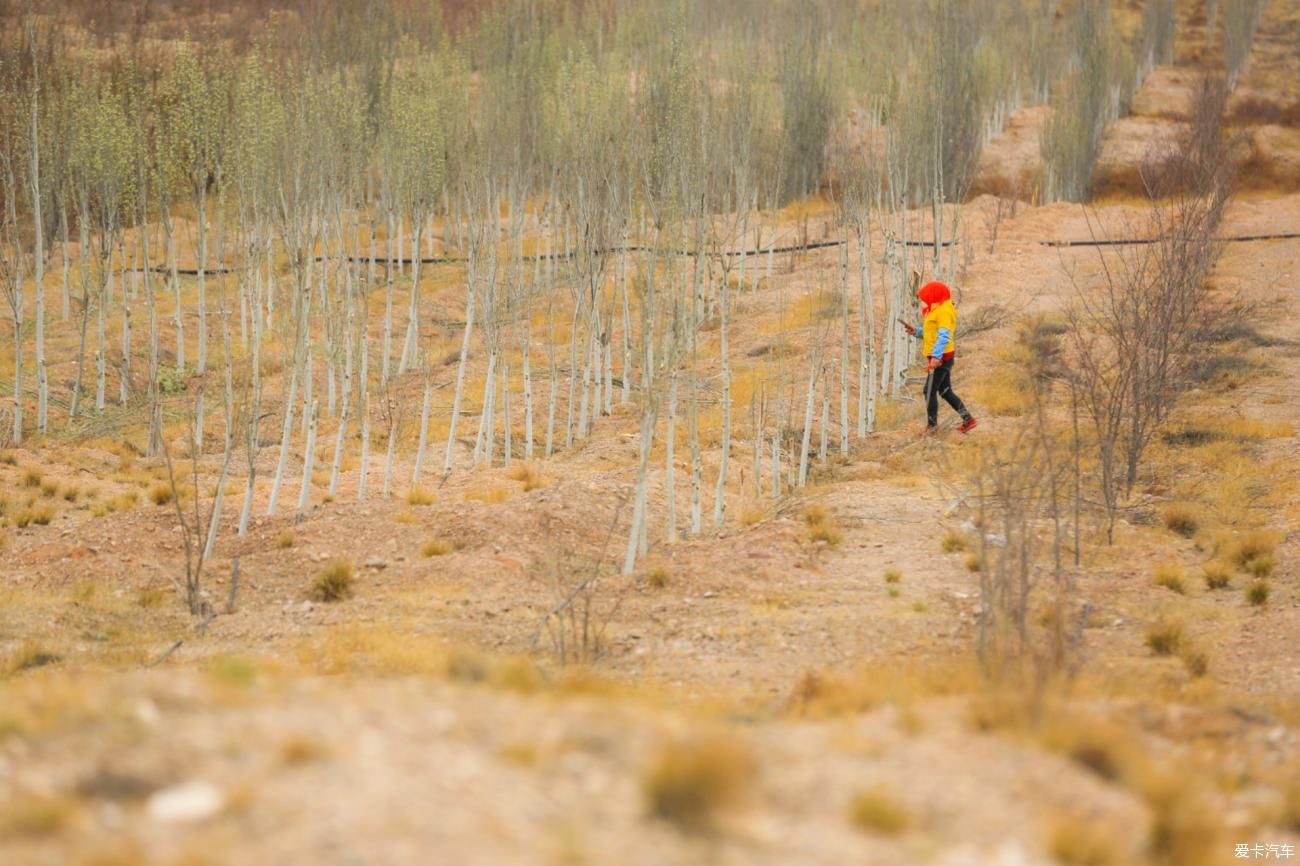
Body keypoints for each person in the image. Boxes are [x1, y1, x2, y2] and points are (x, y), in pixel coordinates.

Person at [903, 280, 977, 435]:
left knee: (929, 391)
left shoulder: (943, 311)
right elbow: (932, 332)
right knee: (945, 391)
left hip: (941, 358)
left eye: (927, 297)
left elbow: (944, 336)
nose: (925, 300)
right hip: (941, 356)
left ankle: (932, 426)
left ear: (935, 295)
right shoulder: (937, 309)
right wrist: (916, 332)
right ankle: (968, 420)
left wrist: (936, 357)